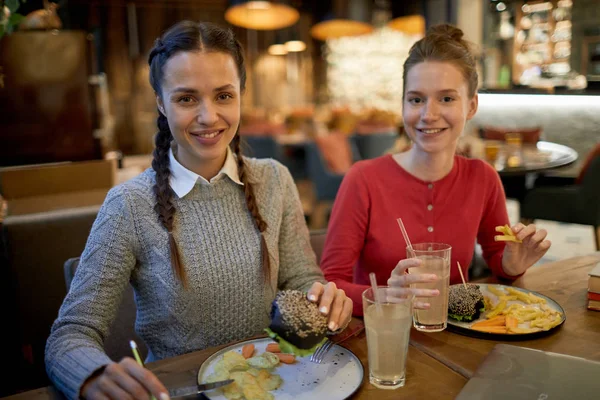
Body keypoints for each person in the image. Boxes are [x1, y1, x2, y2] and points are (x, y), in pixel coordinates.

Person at [45, 21, 352, 400]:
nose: (209, 117)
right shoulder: (128, 205)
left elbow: (302, 279)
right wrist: (92, 375)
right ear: (160, 102)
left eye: (223, 96)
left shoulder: (275, 180)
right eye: (187, 99)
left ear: (240, 93)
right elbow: (70, 334)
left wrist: (321, 299)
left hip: (276, 386)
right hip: (180, 392)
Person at [320, 24, 551, 316]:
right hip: (380, 338)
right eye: (416, 99)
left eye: (446, 98)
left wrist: (512, 265)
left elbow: (497, 260)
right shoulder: (363, 179)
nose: (429, 115)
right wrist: (386, 294)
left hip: (455, 339)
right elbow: (331, 284)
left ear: (471, 105)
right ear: (403, 105)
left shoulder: (483, 178)